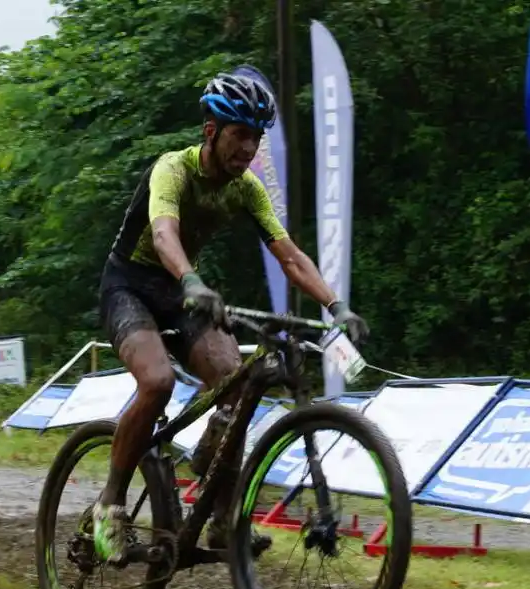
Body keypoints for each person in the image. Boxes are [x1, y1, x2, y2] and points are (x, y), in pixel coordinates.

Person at [94, 72, 369, 563]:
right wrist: (192, 281)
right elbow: (163, 235)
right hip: (131, 285)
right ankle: (109, 504)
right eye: (240, 134)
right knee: (155, 383)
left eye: (256, 137)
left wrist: (336, 305)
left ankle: (222, 516)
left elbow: (289, 256)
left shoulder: (246, 189)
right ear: (211, 132)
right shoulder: (172, 170)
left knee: (235, 383)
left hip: (183, 289)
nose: (249, 147)